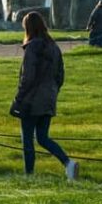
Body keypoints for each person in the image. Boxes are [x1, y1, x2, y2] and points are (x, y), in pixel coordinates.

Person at [10, 12, 79, 180]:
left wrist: (18, 99)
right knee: (42, 137)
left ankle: (29, 174)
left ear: (28, 28)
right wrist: (53, 91)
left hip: (31, 99)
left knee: (27, 139)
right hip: (49, 97)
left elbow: (28, 77)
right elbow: (60, 75)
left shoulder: (32, 47)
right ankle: (68, 163)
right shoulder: (54, 47)